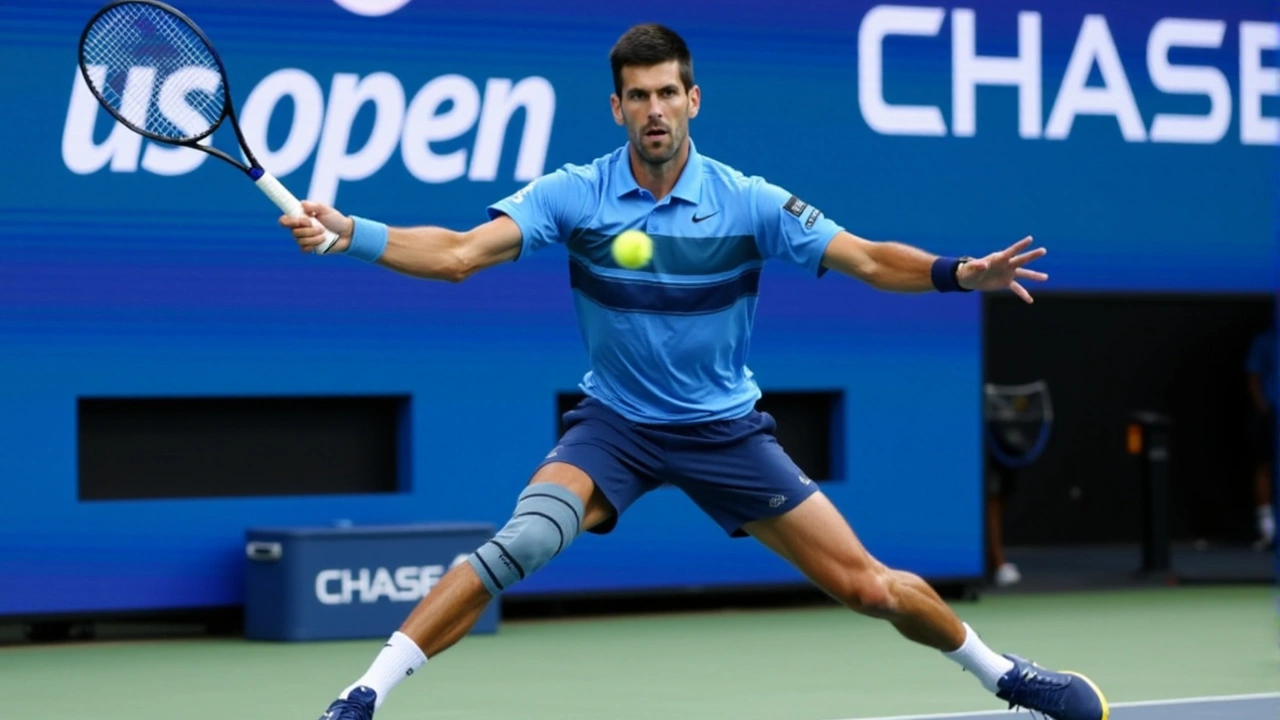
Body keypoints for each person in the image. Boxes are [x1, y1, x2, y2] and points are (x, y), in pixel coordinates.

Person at [280, 24, 1107, 720]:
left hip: (725, 431)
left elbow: (864, 258)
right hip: (615, 428)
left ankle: (1006, 676)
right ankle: (361, 697)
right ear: (617, 107)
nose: (653, 110)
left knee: (871, 588)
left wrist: (958, 272)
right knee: (525, 538)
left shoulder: (748, 201)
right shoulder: (576, 194)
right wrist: (351, 229)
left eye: (667, 93)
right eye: (637, 96)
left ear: (693, 100)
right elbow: (459, 253)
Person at [1245, 325, 1277, 550]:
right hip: (1272, 415)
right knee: (1265, 466)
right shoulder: (1265, 340)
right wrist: (1264, 408)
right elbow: (1253, 377)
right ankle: (1267, 529)